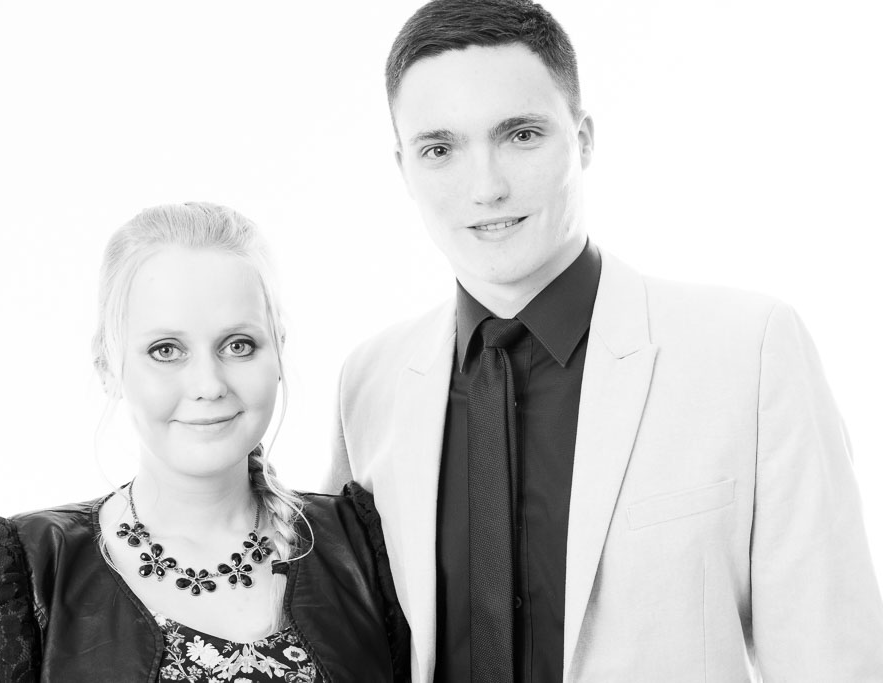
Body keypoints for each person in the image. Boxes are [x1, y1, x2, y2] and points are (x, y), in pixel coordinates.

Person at [326, 1, 883, 681]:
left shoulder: (750, 352)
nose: (486, 187)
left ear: (583, 140)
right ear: (404, 168)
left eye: (521, 135)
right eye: (439, 149)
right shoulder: (369, 381)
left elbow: (832, 660)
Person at [0, 202, 407, 682]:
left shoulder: (362, 545)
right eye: (166, 350)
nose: (208, 384)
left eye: (238, 345)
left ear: (278, 351)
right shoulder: (29, 569)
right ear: (108, 367)